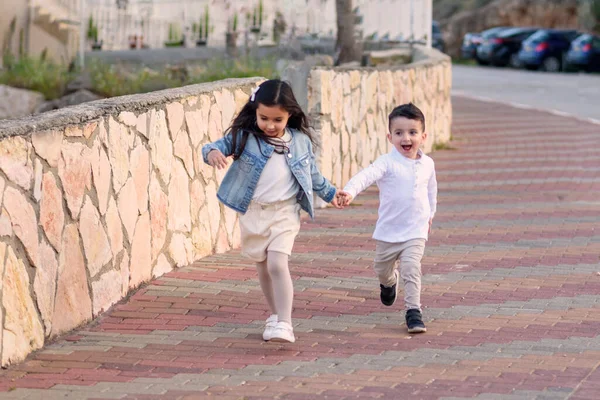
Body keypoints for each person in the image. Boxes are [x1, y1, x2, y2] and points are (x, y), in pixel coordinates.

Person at [202, 79, 342, 343]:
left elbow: (313, 176)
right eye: (263, 118)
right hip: (254, 213)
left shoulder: (299, 142)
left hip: (285, 213)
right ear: (255, 112)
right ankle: (276, 315)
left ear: (290, 115)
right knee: (264, 268)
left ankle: (285, 323)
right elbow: (213, 147)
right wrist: (211, 155)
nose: (270, 125)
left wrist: (333, 194)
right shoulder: (245, 137)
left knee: (278, 262)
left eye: (277, 119)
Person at [337, 103, 437, 334]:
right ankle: (389, 282)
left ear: (423, 136)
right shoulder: (387, 162)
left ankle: (414, 311)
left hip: (416, 230)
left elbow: (432, 191)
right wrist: (350, 192)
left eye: (412, 132)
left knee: (412, 267)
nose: (406, 138)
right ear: (389, 136)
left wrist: (430, 214)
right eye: (399, 133)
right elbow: (366, 176)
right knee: (381, 268)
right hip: (389, 232)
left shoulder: (428, 164)